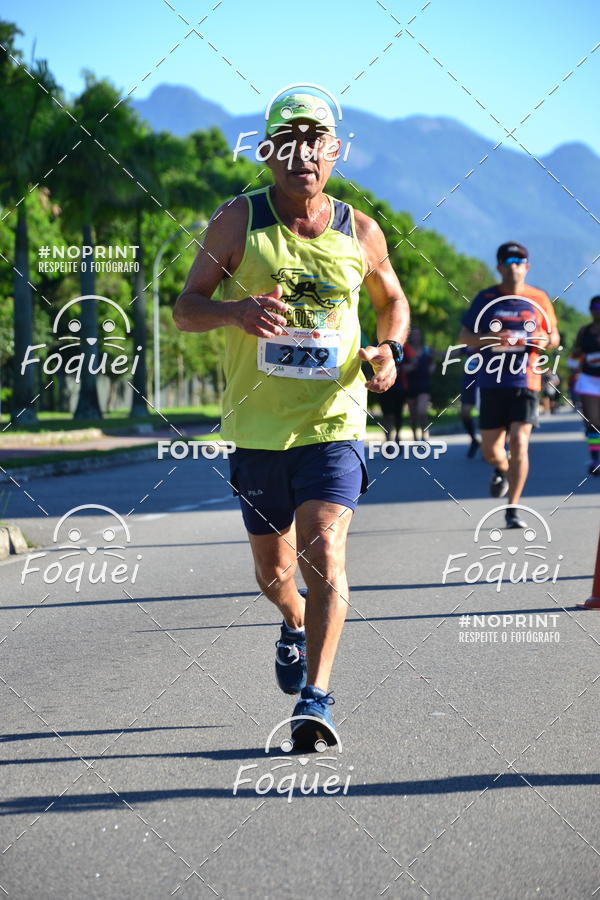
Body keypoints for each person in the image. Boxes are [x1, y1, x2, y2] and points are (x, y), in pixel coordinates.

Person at [174, 92, 410, 749]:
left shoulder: (361, 230)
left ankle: (317, 697)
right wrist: (236, 311)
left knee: (324, 551)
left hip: (334, 418)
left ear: (335, 152)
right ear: (267, 151)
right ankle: (292, 623)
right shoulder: (236, 222)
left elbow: (394, 301)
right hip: (256, 428)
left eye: (317, 140)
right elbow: (185, 308)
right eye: (289, 140)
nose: (303, 153)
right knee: (275, 577)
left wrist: (387, 350)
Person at [459, 242, 559, 528]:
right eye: (508, 260)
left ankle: (513, 507)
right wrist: (493, 339)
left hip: (526, 380)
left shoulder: (539, 298)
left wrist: (543, 340)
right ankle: (502, 470)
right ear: (499, 266)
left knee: (519, 442)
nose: (514, 265)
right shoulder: (486, 298)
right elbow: (465, 336)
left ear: (527, 267)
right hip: (492, 382)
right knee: (491, 452)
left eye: (520, 260)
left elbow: (554, 339)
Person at [570, 295, 600, 474]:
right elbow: (575, 355)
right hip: (589, 380)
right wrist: (575, 365)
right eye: (595, 306)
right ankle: (595, 460)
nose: (598, 310)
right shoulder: (584, 332)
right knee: (593, 422)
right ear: (590, 310)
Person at [403, 327, 435, 441]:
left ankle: (424, 434)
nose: (416, 337)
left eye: (418, 334)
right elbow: (401, 367)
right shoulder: (405, 350)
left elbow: (433, 362)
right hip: (410, 384)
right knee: (413, 415)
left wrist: (431, 369)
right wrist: (410, 367)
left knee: (422, 411)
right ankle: (415, 437)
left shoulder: (426, 350)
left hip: (424, 384)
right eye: (413, 334)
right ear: (410, 336)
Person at [460, 349, 481, 458]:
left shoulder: (488, 339)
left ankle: (489, 444)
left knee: (485, 414)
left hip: (483, 381)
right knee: (464, 413)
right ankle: (474, 440)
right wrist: (433, 352)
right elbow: (450, 353)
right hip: (468, 382)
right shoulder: (468, 344)